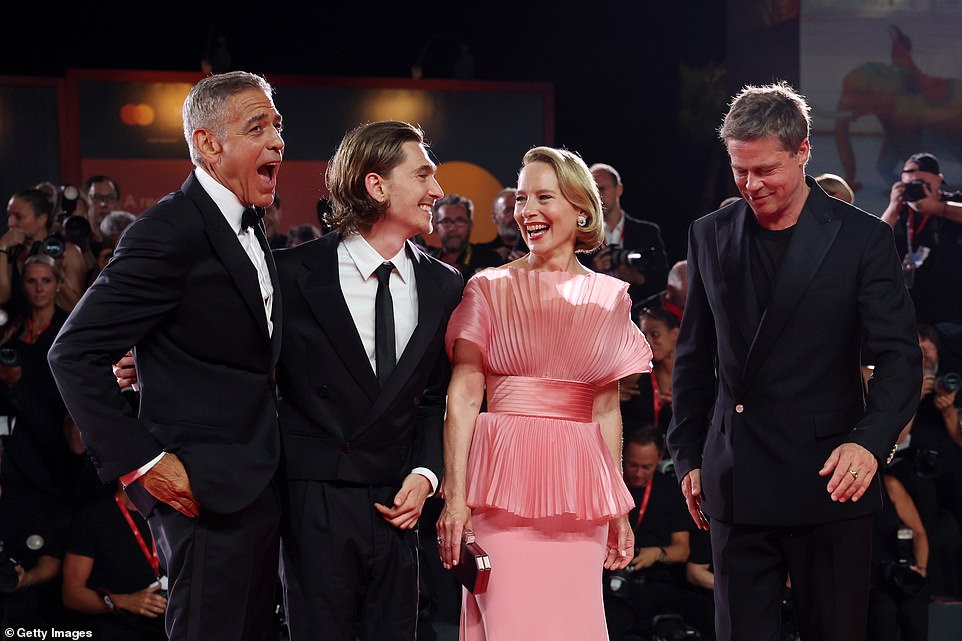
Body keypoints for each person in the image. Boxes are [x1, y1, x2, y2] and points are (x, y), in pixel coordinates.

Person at [667, 81, 921, 641]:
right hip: (736, 481)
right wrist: (688, 455)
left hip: (830, 480)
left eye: (765, 170)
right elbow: (692, 361)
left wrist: (870, 441)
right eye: (739, 170)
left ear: (803, 152)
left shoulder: (862, 239)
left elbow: (900, 358)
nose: (750, 185)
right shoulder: (709, 235)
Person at [48, 70, 285, 641]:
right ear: (208, 144)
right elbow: (74, 352)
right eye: (258, 127)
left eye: (278, 124)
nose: (278, 140)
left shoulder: (249, 227)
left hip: (257, 489)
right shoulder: (169, 230)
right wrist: (144, 464)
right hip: (200, 494)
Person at [436, 145, 653, 639]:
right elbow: (464, 397)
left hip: (579, 503)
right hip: (500, 491)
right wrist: (455, 498)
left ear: (581, 210)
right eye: (522, 199)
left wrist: (617, 508)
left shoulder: (609, 298)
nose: (527, 212)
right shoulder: (487, 287)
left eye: (543, 198)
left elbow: (606, 411)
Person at [273, 120, 463, 641]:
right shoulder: (290, 274)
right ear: (376, 185)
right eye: (423, 175)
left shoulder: (443, 283)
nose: (437, 191)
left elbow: (432, 398)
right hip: (314, 499)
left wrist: (426, 474)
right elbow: (248, 376)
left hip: (397, 500)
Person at [603, 425, 691, 641]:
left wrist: (658, 554)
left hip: (655, 583)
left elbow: (682, 549)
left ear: (660, 458)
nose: (638, 473)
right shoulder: (609, 486)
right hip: (611, 580)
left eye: (646, 466)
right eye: (632, 465)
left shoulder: (670, 490)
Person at [61, 483, 167, 641]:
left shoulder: (171, 514)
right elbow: (72, 595)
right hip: (115, 631)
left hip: (167, 630)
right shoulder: (93, 518)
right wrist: (125, 601)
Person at [880, 152, 962, 326]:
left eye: (921, 184)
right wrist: (893, 207)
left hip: (953, 309)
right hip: (911, 308)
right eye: (909, 185)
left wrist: (937, 208)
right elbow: (876, 242)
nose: (915, 190)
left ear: (938, 181)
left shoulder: (953, 202)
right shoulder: (900, 211)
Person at [585, 162, 669, 306]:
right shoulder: (581, 235)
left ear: (619, 189)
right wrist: (593, 272)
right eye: (592, 191)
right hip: (596, 316)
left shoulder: (647, 233)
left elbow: (663, 283)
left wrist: (639, 279)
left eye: (602, 189)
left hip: (637, 318)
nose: (597, 197)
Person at [0, 188, 86, 315]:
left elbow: (76, 309)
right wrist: (2, 248)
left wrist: (55, 270)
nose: (11, 223)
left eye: (18, 217)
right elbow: (2, 297)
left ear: (41, 219)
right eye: (9, 216)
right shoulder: (9, 251)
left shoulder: (68, 252)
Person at [429, 193, 502, 278]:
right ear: (436, 227)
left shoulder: (490, 260)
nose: (453, 228)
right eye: (446, 221)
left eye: (460, 221)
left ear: (470, 226)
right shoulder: (426, 262)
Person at [476, 187, 523, 263]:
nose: (515, 215)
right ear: (494, 217)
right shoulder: (480, 255)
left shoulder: (537, 252)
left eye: (519, 209)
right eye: (508, 210)